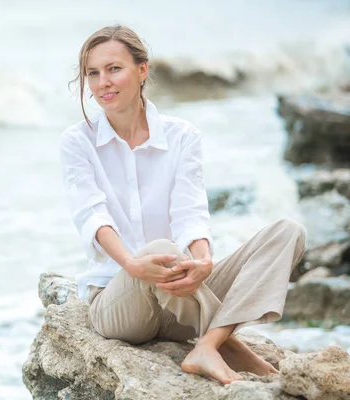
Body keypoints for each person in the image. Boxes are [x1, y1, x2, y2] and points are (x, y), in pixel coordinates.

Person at [59, 25, 306, 385]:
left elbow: (191, 212)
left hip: (177, 295)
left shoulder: (182, 136)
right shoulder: (77, 141)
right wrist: (132, 264)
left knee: (288, 232)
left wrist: (203, 261)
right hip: (121, 303)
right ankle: (228, 343)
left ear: (142, 70)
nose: (102, 84)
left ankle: (209, 343)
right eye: (92, 74)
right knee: (160, 249)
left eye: (114, 69)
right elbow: (91, 216)